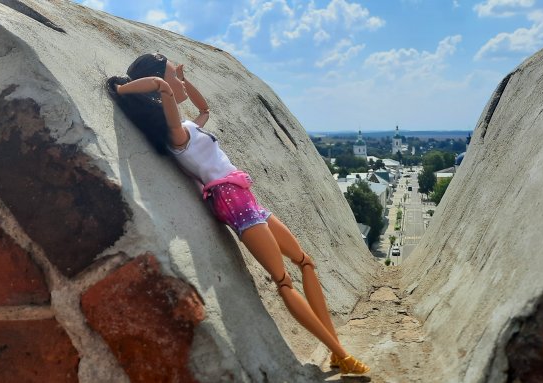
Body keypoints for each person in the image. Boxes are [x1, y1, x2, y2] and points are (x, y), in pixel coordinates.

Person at [106, 53, 370, 375]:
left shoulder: (187, 127)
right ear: (160, 86)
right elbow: (161, 86)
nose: (179, 81)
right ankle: (342, 355)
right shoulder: (175, 133)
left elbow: (205, 110)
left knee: (305, 261)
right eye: (175, 75)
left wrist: (184, 80)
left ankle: (335, 347)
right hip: (232, 202)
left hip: (245, 196)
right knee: (283, 280)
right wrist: (123, 89)